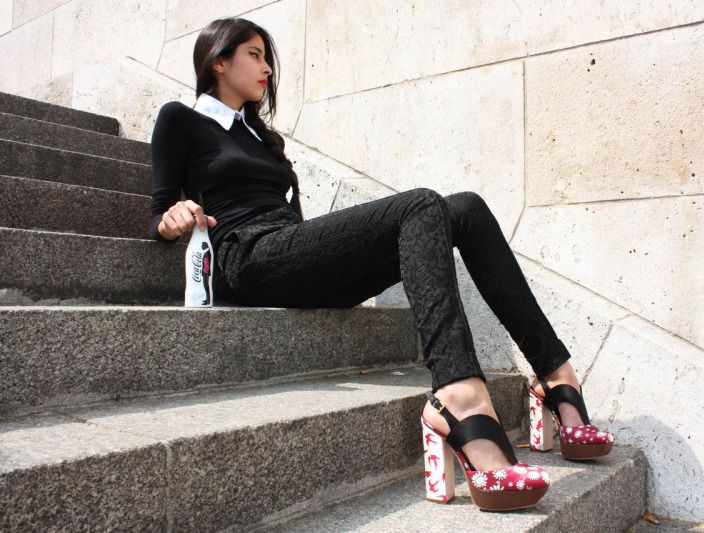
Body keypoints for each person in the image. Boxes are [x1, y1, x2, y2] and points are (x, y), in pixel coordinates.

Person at [148, 17, 614, 511]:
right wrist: (171, 219)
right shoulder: (181, 119)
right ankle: (459, 396)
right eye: (255, 54)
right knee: (420, 203)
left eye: (267, 57)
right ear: (219, 61)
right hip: (249, 256)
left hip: (291, 254)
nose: (267, 68)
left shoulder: (262, 136)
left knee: (467, 209)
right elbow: (158, 212)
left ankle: (557, 378)